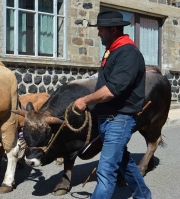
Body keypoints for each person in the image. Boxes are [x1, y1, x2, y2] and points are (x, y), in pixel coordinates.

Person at [74, 11, 151, 199]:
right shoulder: (115, 50)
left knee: (106, 172)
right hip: (108, 120)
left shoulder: (129, 54)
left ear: (113, 30)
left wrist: (85, 100)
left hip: (119, 120)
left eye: (101, 30)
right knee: (124, 163)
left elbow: (111, 90)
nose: (99, 34)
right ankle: (144, 196)